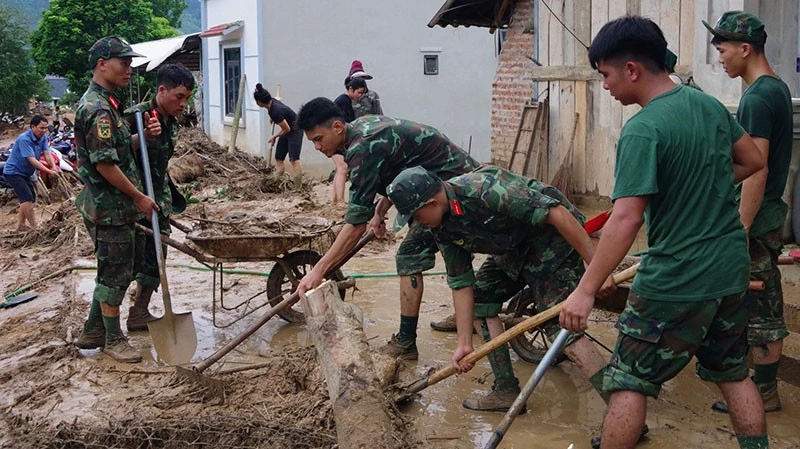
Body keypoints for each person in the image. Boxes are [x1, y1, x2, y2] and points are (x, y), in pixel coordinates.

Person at [558, 16, 768, 449]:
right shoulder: (707, 105)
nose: (607, 86)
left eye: (606, 75)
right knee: (733, 373)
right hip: (728, 272)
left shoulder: (643, 129)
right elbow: (751, 161)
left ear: (632, 69)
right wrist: (702, 186)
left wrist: (585, 289)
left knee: (628, 380)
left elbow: (625, 220)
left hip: (675, 279)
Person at [386, 165, 613, 412]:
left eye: (416, 217)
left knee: (562, 327)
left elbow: (557, 214)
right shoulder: (441, 227)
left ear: (431, 203)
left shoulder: (485, 191)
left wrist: (596, 268)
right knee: (481, 301)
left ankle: (618, 407)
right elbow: (461, 282)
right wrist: (464, 343)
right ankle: (506, 390)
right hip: (512, 251)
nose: (418, 224)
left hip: (552, 243)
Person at [295, 97, 480, 360]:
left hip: (452, 189)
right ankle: (469, 314)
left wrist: (319, 270)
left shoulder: (363, 148)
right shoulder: (361, 129)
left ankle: (406, 343)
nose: (316, 147)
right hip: (440, 183)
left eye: (318, 139)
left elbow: (355, 224)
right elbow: (399, 170)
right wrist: (380, 213)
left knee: (410, 255)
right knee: (454, 251)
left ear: (337, 127)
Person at [705, 11, 792, 414]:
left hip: (758, 218)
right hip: (769, 214)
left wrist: (740, 228)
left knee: (763, 302)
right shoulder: (773, 89)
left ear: (745, 48)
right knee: (759, 297)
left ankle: (764, 392)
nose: (720, 58)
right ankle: (761, 387)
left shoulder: (758, 96)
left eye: (723, 50)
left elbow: (757, 169)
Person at [73, 36, 160, 363]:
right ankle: (112, 338)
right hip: (109, 207)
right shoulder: (97, 109)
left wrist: (143, 137)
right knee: (114, 274)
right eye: (123, 63)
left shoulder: (108, 103)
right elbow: (105, 164)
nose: (130, 69)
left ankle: (93, 329)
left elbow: (117, 150)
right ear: (102, 64)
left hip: (116, 206)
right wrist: (138, 196)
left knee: (117, 268)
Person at [122, 63, 195, 331]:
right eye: (179, 97)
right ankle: (103, 326)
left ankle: (139, 312)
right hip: (134, 199)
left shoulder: (172, 122)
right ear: (161, 90)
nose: (183, 103)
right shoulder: (136, 117)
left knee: (157, 256)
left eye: (187, 97)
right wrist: (137, 139)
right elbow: (112, 154)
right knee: (131, 261)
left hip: (159, 198)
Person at [2, 116, 58, 231]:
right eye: (41, 128)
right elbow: (32, 160)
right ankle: (35, 227)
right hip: (14, 172)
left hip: (25, 173)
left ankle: (21, 225)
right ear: (32, 127)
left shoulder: (42, 138)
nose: (43, 131)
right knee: (27, 198)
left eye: (45, 128)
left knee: (29, 198)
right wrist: (48, 171)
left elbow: (47, 154)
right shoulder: (24, 139)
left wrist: (54, 167)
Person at [330, 77, 367, 205]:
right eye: (359, 92)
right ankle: (340, 201)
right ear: (351, 89)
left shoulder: (344, 100)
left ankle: (335, 200)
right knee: (343, 168)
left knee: (340, 168)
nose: (360, 96)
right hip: (335, 140)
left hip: (334, 140)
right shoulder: (344, 101)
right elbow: (347, 123)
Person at [254, 83, 303, 179]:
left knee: (294, 159)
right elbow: (280, 120)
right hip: (288, 129)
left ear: (259, 102)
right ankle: (274, 180)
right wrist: (272, 118)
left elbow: (286, 129)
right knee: (279, 157)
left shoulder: (275, 111)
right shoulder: (271, 103)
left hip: (296, 129)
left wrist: (274, 136)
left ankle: (298, 188)